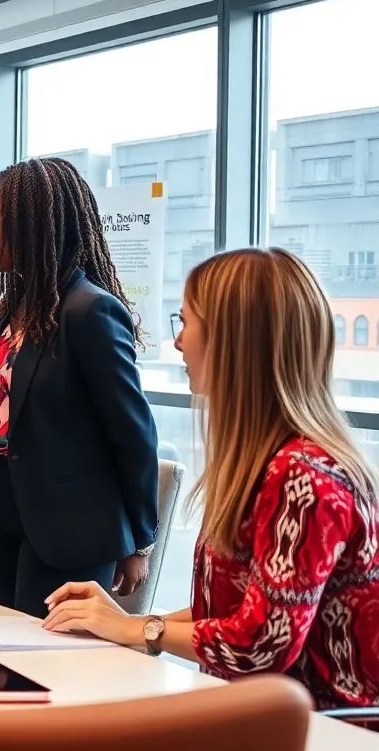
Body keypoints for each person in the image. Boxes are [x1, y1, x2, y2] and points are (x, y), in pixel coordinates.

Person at [41, 247, 379, 709]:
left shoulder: (304, 476)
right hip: (265, 717)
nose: (177, 342)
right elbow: (234, 613)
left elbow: (262, 644)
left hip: (325, 731)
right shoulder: (267, 462)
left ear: (232, 339)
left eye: (185, 322)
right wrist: (119, 620)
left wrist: (135, 628)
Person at [0, 157, 159, 619]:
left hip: (70, 529)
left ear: (26, 225)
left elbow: (133, 436)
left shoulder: (90, 311)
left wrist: (140, 541)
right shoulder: (6, 310)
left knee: (45, 669)